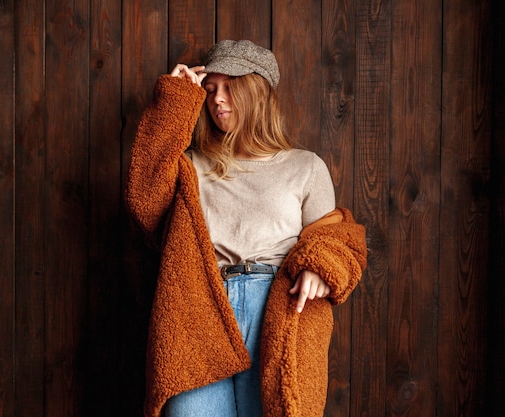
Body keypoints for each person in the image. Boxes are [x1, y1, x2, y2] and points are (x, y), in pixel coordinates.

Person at [125, 39, 367, 417]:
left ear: (256, 93)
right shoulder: (191, 165)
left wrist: (320, 268)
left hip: (277, 307)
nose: (217, 99)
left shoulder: (305, 167)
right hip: (199, 309)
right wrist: (173, 102)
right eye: (210, 89)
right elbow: (144, 201)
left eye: (230, 88)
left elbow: (337, 237)